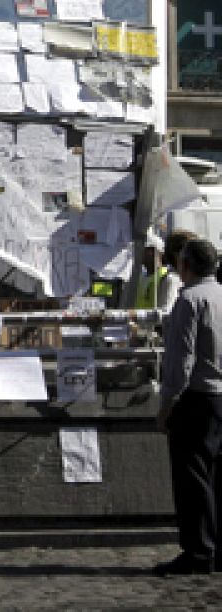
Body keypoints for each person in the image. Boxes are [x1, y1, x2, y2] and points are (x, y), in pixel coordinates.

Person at [155, 238, 222, 576]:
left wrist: (167, 404)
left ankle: (198, 551)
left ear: (186, 266)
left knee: (193, 479)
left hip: (198, 398)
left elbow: (181, 361)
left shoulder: (190, 300)